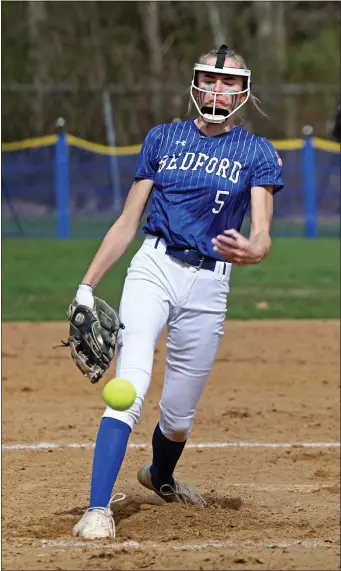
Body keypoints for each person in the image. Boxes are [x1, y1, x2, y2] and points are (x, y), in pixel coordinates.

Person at [72, 44, 284, 539]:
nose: (218, 88)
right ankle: (97, 510)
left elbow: (262, 231)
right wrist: (86, 286)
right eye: (210, 78)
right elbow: (127, 223)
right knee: (129, 388)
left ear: (245, 91)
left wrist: (255, 250)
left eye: (229, 81)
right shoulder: (162, 138)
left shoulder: (257, 153)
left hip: (211, 283)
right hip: (155, 266)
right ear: (194, 84)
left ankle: (159, 475)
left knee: (179, 417)